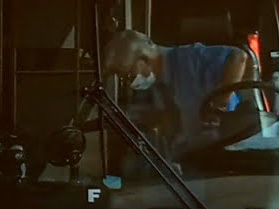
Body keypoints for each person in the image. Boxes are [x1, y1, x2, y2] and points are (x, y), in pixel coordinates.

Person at [102, 28, 250, 158]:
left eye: (129, 75)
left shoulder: (187, 58)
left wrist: (220, 102)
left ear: (144, 60)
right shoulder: (160, 85)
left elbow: (238, 57)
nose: (129, 82)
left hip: (227, 149)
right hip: (196, 158)